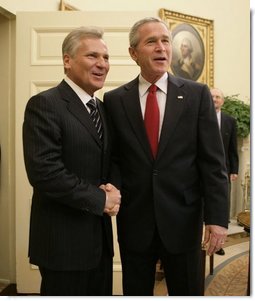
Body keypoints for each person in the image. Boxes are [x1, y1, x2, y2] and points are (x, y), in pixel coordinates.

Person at [103, 17, 229, 296]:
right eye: (151, 42)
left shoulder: (196, 95)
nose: (161, 48)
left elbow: (213, 163)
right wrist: (111, 189)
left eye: (165, 41)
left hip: (183, 218)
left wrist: (217, 219)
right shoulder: (114, 100)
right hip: (135, 220)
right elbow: (114, 158)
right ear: (134, 53)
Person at [22, 26, 121, 296]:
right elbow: (45, 173)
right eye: (92, 56)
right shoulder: (44, 104)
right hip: (62, 245)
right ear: (67, 60)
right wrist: (100, 200)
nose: (102, 64)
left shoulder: (102, 108)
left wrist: (113, 187)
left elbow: (109, 159)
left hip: (99, 243)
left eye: (106, 57)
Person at [211, 88, 239, 256]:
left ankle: (219, 244)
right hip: (201, 172)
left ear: (223, 101)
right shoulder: (198, 116)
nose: (214, 99)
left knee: (222, 206)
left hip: (223, 170)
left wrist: (234, 169)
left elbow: (232, 148)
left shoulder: (230, 121)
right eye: (211, 96)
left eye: (217, 97)